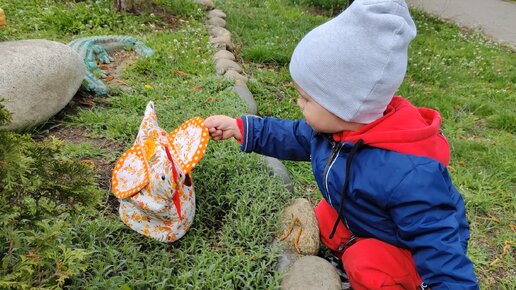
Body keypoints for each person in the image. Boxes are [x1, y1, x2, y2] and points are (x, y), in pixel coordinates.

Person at [204, 0, 479, 288]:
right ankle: (349, 249)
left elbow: (441, 251)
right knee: (324, 216)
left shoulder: (409, 174)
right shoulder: (337, 128)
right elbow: (293, 135)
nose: (298, 103)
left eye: (307, 98)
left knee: (365, 262)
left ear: (346, 105)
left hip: (408, 250)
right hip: (370, 220)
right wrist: (241, 128)